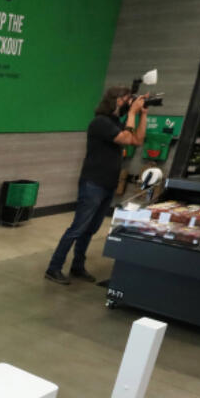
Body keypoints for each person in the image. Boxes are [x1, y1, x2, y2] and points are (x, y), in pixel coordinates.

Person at [45, 85, 149, 286]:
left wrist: (142, 115)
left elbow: (137, 140)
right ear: (118, 100)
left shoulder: (115, 123)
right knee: (77, 228)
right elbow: (126, 139)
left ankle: (77, 266)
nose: (130, 103)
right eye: (128, 99)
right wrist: (133, 114)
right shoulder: (100, 123)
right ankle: (54, 267)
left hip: (107, 184)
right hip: (93, 183)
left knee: (90, 228)